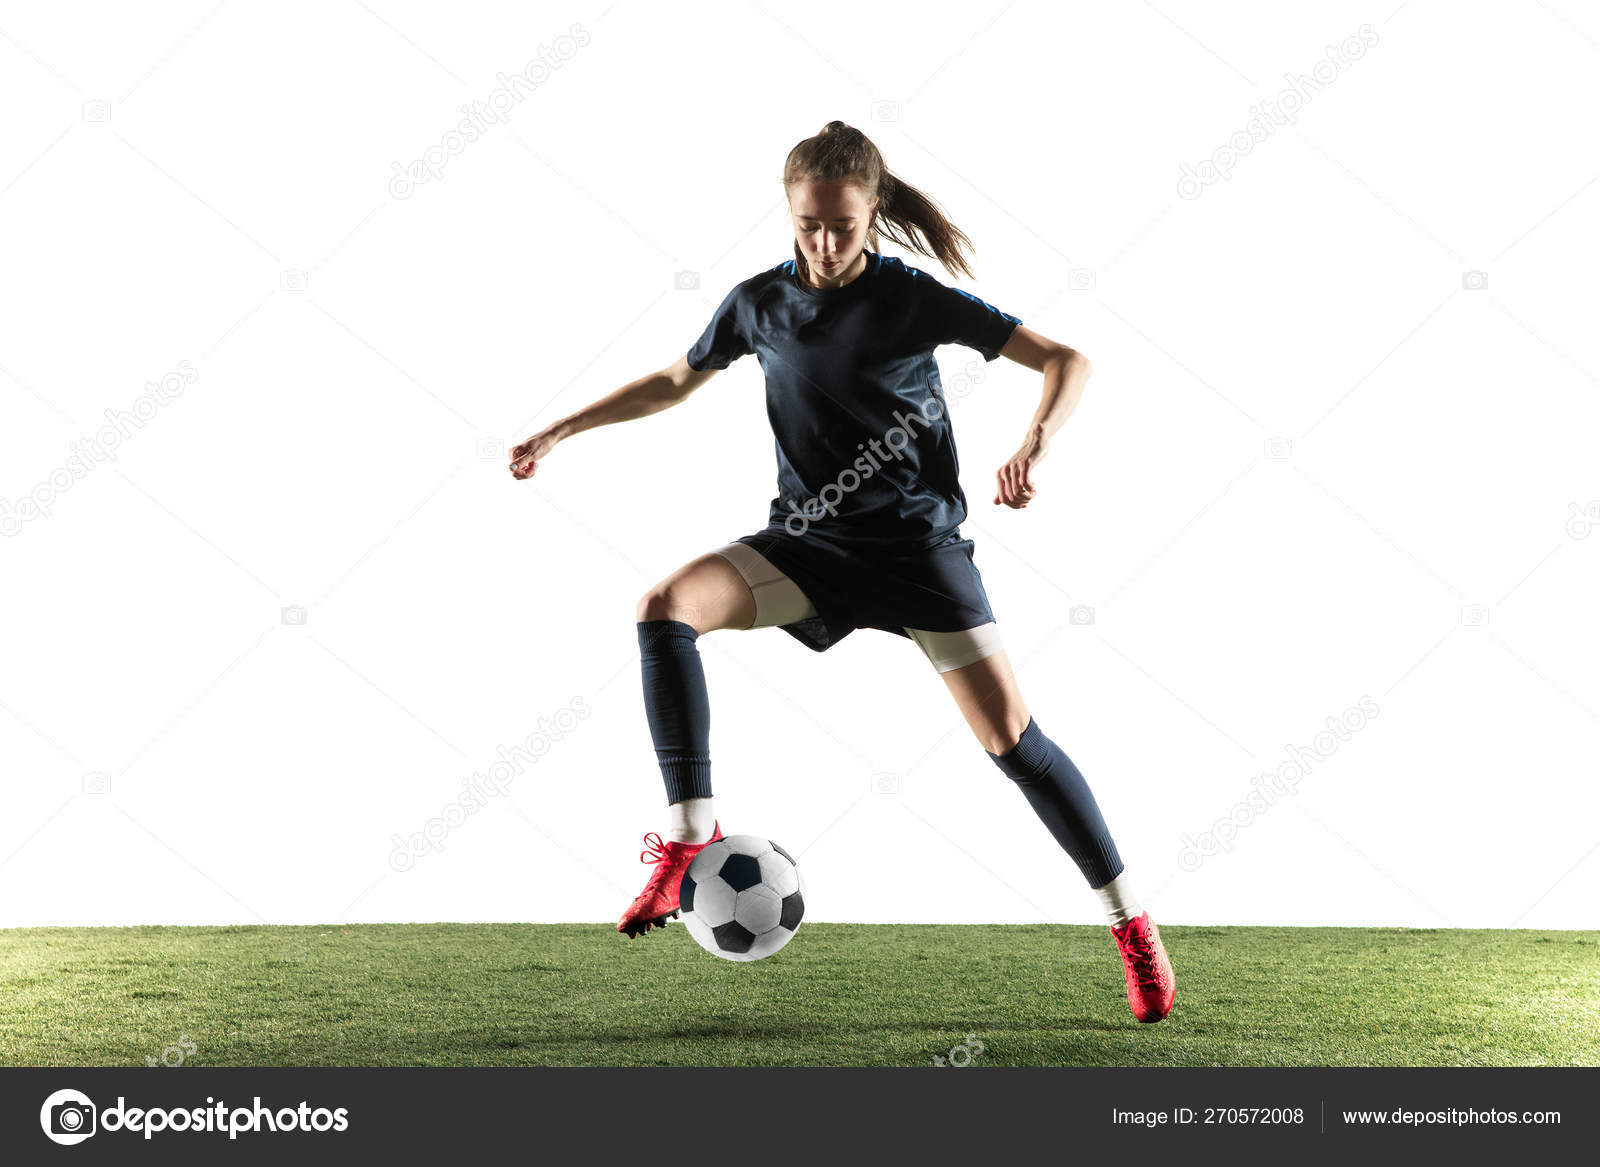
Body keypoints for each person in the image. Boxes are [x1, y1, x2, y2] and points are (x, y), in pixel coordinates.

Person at [509, 120, 1175, 1023]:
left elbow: (1067, 359)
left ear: (873, 213)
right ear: (790, 215)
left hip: (916, 553)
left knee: (1013, 742)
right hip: (808, 548)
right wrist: (560, 429)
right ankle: (684, 842)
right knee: (663, 607)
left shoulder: (912, 299)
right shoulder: (758, 303)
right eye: (808, 226)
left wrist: (1035, 442)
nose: (824, 245)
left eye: (844, 227)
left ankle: (1130, 923)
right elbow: (673, 381)